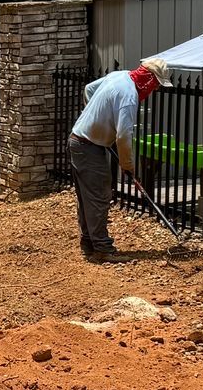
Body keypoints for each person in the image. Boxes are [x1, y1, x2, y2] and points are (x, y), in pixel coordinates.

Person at [67, 56, 170, 260]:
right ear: (149, 79)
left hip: (79, 141)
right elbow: (123, 136)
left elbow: (89, 89)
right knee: (99, 196)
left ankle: (89, 243)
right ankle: (102, 249)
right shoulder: (129, 97)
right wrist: (128, 165)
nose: (155, 90)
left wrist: (96, 117)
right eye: (156, 85)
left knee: (88, 196)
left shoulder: (119, 75)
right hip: (88, 146)